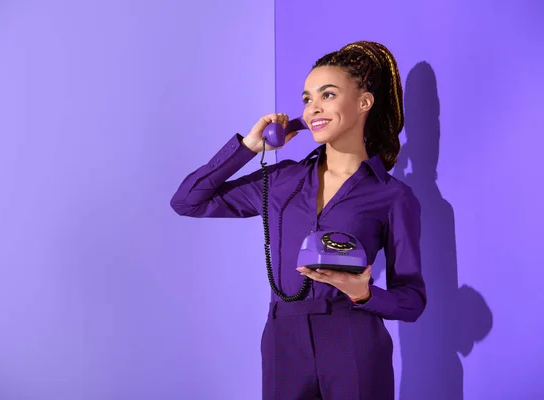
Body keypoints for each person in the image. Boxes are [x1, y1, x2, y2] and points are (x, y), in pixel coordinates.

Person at [170, 40, 427, 400]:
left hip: (352, 337)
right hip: (283, 339)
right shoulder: (281, 181)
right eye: (307, 99)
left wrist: (364, 294)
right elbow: (188, 200)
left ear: (364, 103)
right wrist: (247, 147)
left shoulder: (393, 196)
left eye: (327, 95)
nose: (312, 109)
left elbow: (412, 300)